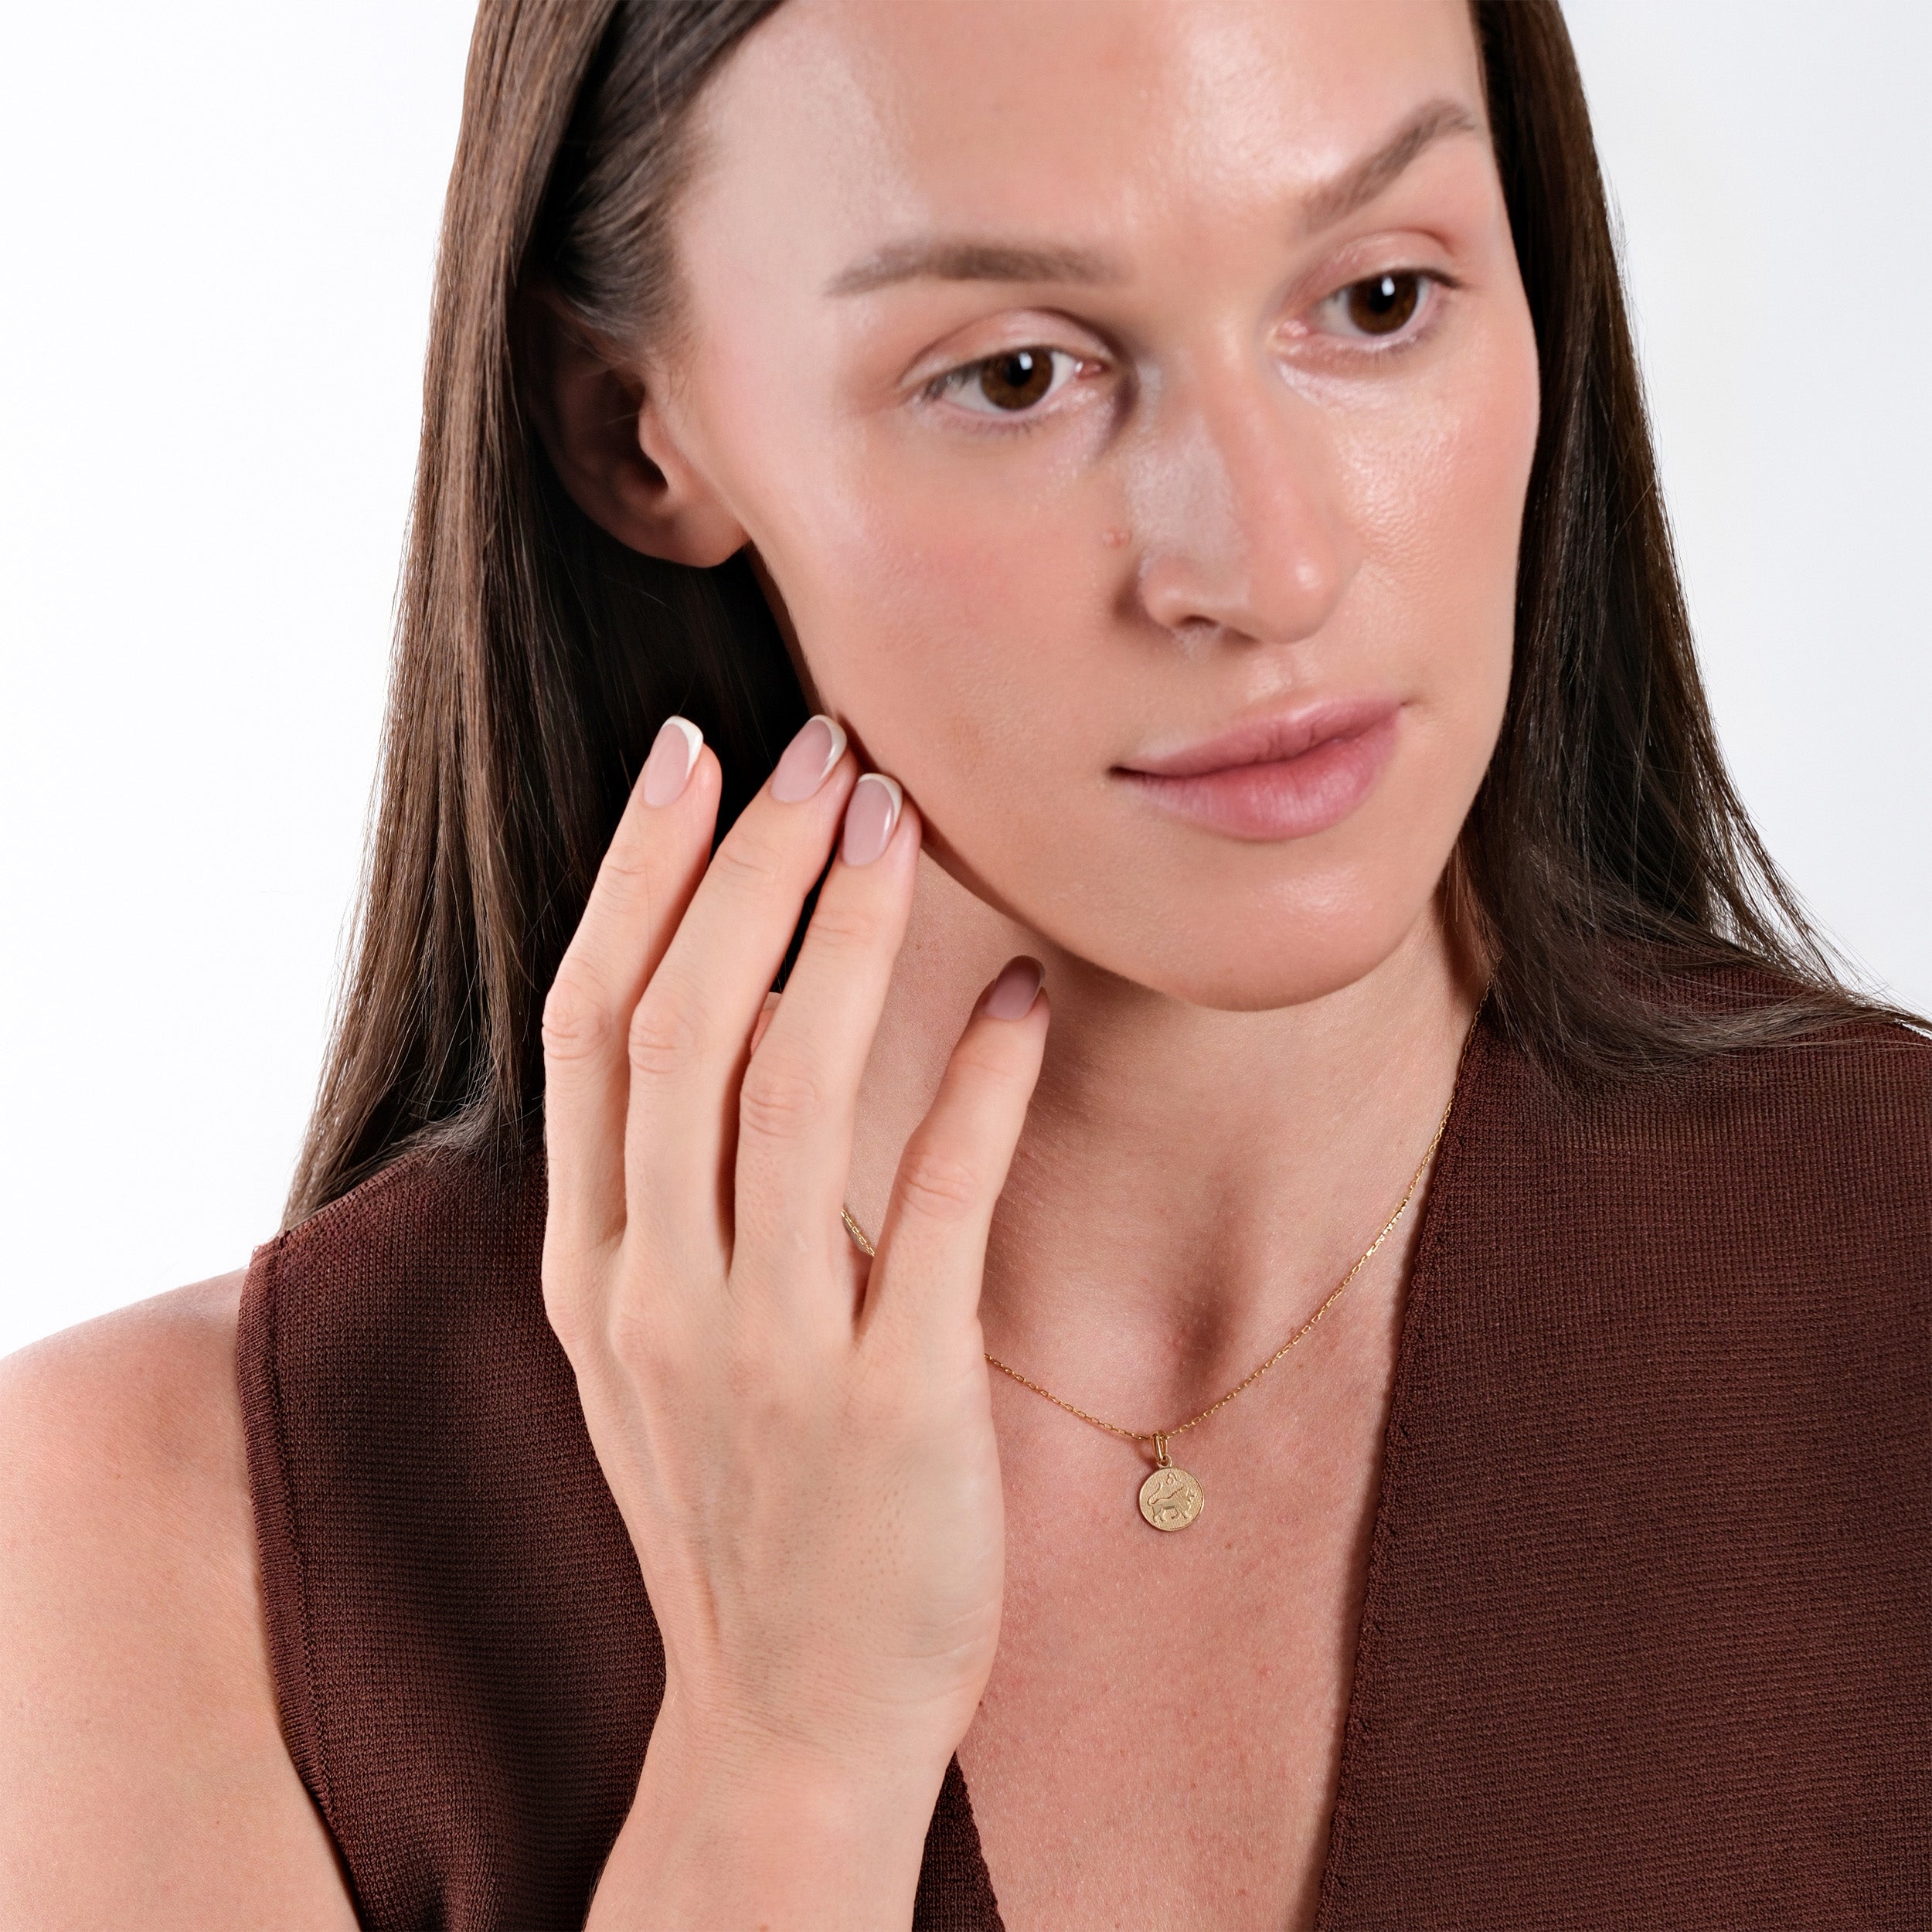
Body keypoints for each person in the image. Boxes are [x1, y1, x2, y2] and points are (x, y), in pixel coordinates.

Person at [2, 0, 1926, 1926]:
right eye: (1013, 372)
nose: (1264, 567)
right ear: (635, 435)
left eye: (1374, 301)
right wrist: (780, 1771)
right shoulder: (162, 1553)